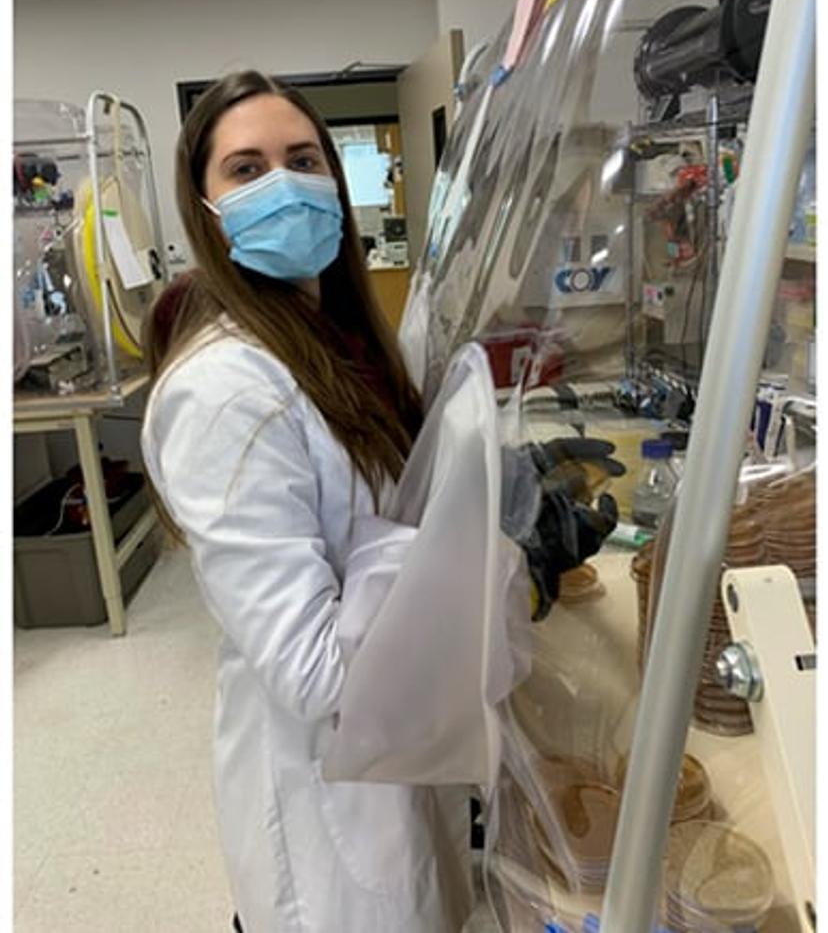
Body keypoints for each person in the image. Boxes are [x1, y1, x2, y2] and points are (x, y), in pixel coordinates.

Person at [141, 69, 619, 932]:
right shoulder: (224, 392)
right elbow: (317, 670)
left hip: (390, 768)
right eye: (246, 170)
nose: (283, 184)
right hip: (328, 800)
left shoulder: (338, 340)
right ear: (202, 205)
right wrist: (501, 561)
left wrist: (488, 493)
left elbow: (386, 517)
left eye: (303, 159)